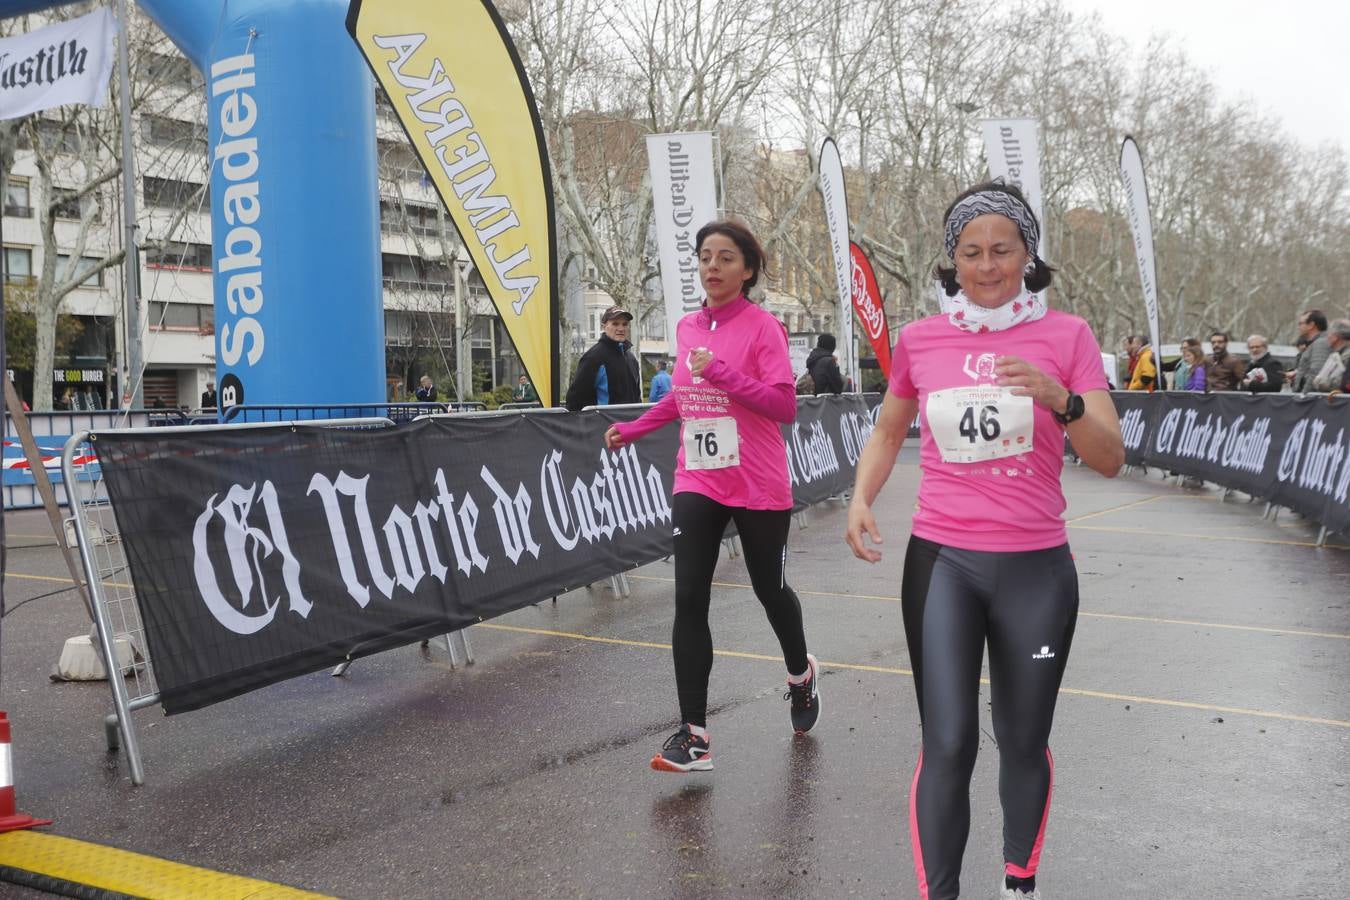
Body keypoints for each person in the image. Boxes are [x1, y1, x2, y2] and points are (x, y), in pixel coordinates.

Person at [844, 181, 1124, 900]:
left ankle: (1018, 881)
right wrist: (860, 498)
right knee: (947, 743)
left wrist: (1059, 400)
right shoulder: (920, 339)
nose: (987, 265)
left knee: (1023, 741)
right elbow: (887, 428)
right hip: (943, 564)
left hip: (1036, 569)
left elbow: (1110, 457)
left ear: (1028, 254)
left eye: (1002, 249)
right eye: (971, 251)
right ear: (952, 260)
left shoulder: (1068, 337)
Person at [602, 220, 819, 773]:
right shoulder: (687, 328)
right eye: (705, 257)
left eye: (725, 258)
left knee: (770, 590)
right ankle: (693, 734)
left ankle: (801, 674)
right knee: (689, 598)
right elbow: (683, 399)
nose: (712, 267)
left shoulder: (763, 328)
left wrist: (722, 373)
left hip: (758, 481)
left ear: (747, 270)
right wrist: (634, 429)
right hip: (697, 477)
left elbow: (782, 406)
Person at [565, 306, 641, 410]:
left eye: (625, 324)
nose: (621, 328)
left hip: (630, 424)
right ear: (603, 327)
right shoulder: (593, 357)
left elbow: (637, 397)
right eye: (615, 324)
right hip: (604, 424)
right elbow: (575, 400)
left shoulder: (631, 358)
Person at [1288, 309, 1329, 392]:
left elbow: (1316, 373)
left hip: (1311, 400)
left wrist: (1303, 394)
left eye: (1300, 323)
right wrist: (1297, 376)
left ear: (1311, 325)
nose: (1298, 327)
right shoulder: (1312, 343)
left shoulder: (1320, 343)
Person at [1311, 318, 1350, 392]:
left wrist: (1319, 382)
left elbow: (1342, 384)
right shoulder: (1339, 355)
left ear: (1335, 336)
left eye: (1328, 333)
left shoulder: (1346, 357)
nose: (1327, 337)